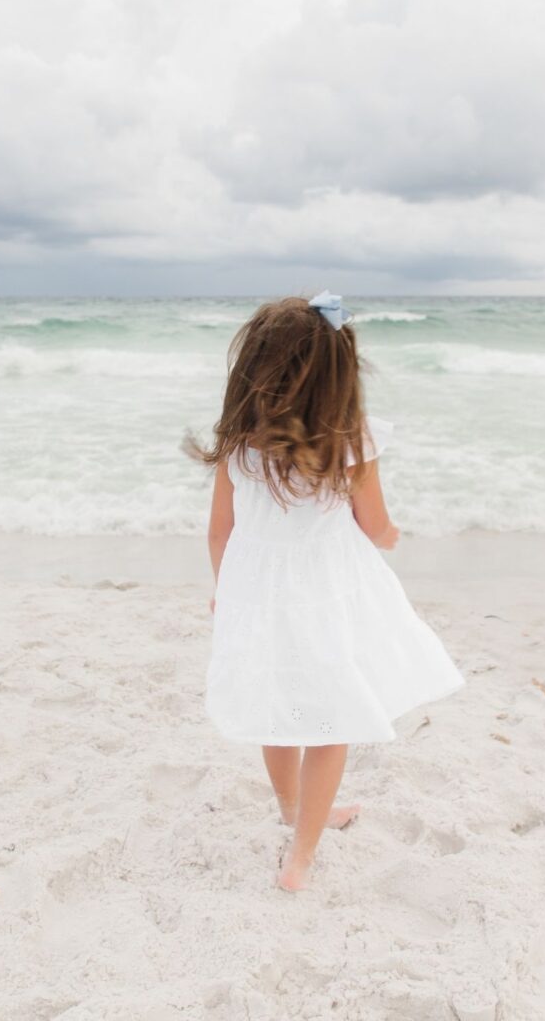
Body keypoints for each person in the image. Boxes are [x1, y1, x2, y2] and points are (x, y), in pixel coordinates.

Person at [187, 291, 466, 892]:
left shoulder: (240, 446)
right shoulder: (348, 444)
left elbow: (220, 532)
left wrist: (224, 590)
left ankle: (291, 813)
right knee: (331, 719)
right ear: (335, 376)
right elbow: (375, 524)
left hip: (259, 594)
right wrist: (392, 537)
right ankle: (301, 855)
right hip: (326, 597)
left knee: (279, 712)